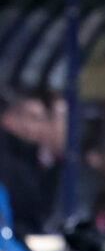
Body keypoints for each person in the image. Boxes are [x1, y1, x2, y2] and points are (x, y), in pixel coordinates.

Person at [0, 94, 60, 233]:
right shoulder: (8, 163)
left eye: (43, 120)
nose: (39, 127)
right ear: (9, 119)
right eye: (34, 118)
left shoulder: (37, 160)